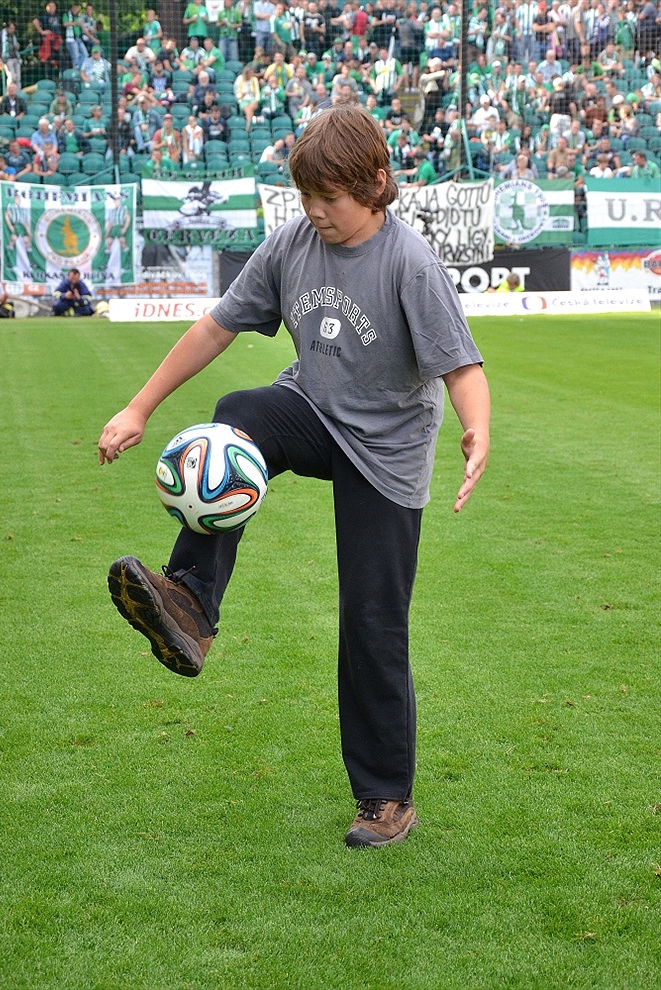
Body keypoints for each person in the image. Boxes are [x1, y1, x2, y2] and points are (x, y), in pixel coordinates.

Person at [98, 102, 490, 849]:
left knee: (371, 622)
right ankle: (191, 604)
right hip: (314, 413)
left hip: (386, 453)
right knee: (237, 411)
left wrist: (478, 428)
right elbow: (217, 325)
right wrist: (140, 406)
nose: (317, 214)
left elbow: (459, 364)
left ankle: (384, 799)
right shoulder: (292, 243)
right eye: (306, 198)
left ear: (376, 184)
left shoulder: (410, 262)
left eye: (330, 200)